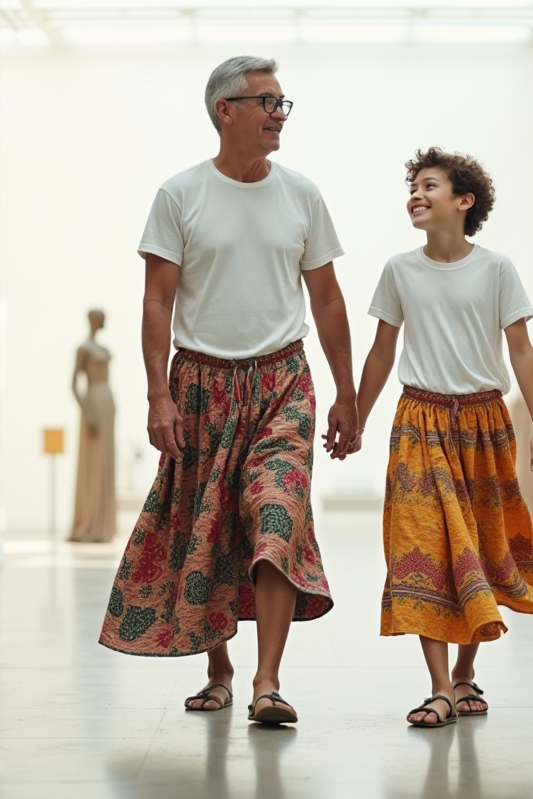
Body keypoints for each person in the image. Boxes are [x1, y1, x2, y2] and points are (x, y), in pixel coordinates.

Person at [98, 56, 358, 727]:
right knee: (206, 526)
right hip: (200, 386)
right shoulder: (179, 194)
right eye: (267, 101)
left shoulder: (302, 195)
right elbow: (157, 301)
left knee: (277, 515)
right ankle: (219, 669)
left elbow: (328, 299)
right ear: (225, 110)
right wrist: (156, 395)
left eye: (282, 103)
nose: (279, 114)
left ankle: (268, 682)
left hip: (283, 382)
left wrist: (346, 392)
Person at [351, 148, 533, 728]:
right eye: (412, 187)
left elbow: (521, 350)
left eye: (429, 185)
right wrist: (357, 418)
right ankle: (440, 687)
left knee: (482, 547)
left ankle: (465, 672)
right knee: (424, 549)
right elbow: (382, 352)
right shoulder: (399, 270)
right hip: (419, 422)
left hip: (485, 425)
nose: (416, 195)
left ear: (464, 201)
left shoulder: (497, 269)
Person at [69, 309, 116, 543]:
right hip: (94, 403)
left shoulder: (103, 348)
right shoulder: (84, 348)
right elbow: (73, 384)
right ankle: (89, 522)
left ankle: (104, 524)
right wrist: (87, 412)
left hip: (107, 402)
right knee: (94, 460)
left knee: (106, 459)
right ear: (94, 319)